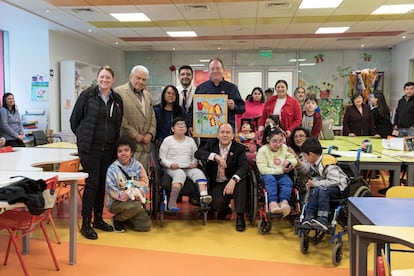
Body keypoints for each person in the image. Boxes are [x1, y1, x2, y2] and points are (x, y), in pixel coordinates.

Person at [70, 65, 124, 240]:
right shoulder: (87, 95)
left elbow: (117, 123)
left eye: (108, 77)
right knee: (92, 183)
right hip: (90, 149)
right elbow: (74, 120)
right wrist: (83, 136)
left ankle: (98, 219)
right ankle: (86, 222)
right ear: (97, 78)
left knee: (102, 184)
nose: (104, 80)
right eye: (101, 77)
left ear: (113, 80)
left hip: (108, 149)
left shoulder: (117, 99)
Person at [194, 123, 248, 232]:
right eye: (222, 132)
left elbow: (244, 167)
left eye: (228, 133)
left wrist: (233, 180)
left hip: (233, 180)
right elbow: (198, 153)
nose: (225, 135)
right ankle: (225, 209)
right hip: (218, 182)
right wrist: (215, 156)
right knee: (216, 203)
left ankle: (240, 216)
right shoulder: (211, 144)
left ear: (233, 136)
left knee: (242, 182)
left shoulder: (239, 148)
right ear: (218, 135)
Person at [159, 117, 211, 211]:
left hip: (188, 167)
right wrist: (170, 165)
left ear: (186, 129)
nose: (181, 127)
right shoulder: (167, 140)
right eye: (178, 125)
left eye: (183, 125)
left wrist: (194, 163)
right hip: (173, 168)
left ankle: (204, 199)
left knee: (199, 173)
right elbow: (162, 158)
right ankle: (172, 203)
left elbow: (195, 155)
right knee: (180, 174)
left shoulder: (190, 141)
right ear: (172, 128)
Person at [114, 65, 156, 173]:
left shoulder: (147, 95)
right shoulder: (118, 92)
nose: (141, 81)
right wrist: (135, 135)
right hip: (129, 145)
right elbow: (120, 118)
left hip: (145, 147)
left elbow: (152, 116)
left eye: (144, 79)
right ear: (130, 76)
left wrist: (150, 134)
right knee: (128, 181)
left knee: (143, 180)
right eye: (138, 78)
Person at [105, 135, 152, 233]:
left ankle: (127, 218)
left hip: (135, 199)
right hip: (116, 202)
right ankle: (117, 219)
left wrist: (139, 193)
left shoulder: (138, 166)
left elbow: (145, 183)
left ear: (131, 152)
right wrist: (129, 196)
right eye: (120, 151)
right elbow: (112, 191)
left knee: (145, 226)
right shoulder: (112, 169)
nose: (123, 153)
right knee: (134, 206)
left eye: (126, 150)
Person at [300, 137, 348, 231]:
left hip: (338, 188)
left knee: (322, 190)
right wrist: (312, 183)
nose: (305, 159)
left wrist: (315, 183)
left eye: (305, 156)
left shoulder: (328, 163)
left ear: (311, 154)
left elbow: (334, 181)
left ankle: (322, 219)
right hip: (326, 186)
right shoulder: (314, 164)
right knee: (314, 191)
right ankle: (309, 217)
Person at [188, 58, 245, 134]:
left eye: (218, 68)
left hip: (226, 133)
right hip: (206, 132)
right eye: (212, 69)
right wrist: (190, 125)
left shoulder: (232, 88)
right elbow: (192, 109)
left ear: (223, 70)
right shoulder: (201, 88)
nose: (215, 71)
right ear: (209, 71)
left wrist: (234, 106)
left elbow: (242, 108)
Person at [256, 125, 297, 217]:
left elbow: (293, 159)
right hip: (267, 174)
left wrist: (289, 161)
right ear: (267, 139)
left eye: (280, 141)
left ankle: (284, 202)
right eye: (274, 141)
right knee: (271, 180)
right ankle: (272, 203)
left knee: (287, 182)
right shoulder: (263, 151)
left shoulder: (284, 148)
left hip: (282, 174)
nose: (278, 144)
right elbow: (263, 169)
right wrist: (281, 170)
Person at [287, 127, 312, 196]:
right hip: (294, 187)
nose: (298, 139)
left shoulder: (311, 152)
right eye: (296, 137)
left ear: (307, 138)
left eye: (301, 136)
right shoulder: (292, 151)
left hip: (307, 188)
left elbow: (305, 170)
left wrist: (295, 156)